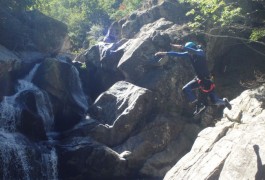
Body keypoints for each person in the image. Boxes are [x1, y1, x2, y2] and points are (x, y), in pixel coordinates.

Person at [155, 41, 232, 115]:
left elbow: (193, 51)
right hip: (199, 80)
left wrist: (182, 47)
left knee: (215, 101)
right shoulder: (189, 55)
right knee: (185, 88)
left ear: (193, 48)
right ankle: (198, 104)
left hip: (207, 81)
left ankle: (224, 102)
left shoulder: (200, 52)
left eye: (189, 51)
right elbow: (178, 54)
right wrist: (164, 53)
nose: (189, 53)